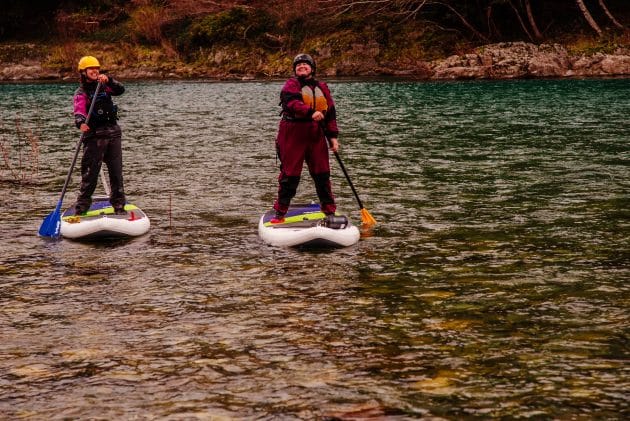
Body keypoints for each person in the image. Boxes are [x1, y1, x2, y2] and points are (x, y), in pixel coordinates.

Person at [272, 53, 340, 223]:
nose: (302, 67)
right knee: (290, 175)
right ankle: (280, 213)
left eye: (305, 65)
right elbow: (292, 103)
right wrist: (311, 112)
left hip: (316, 134)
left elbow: (330, 112)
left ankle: (329, 211)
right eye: (298, 66)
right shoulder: (291, 85)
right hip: (293, 133)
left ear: (312, 68)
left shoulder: (322, 87)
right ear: (295, 70)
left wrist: (332, 137)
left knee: (322, 174)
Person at [73, 55, 127, 215]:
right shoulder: (81, 92)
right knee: (90, 175)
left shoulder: (104, 86)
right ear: (83, 72)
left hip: (113, 133)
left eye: (97, 68)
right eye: (91, 69)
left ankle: (119, 206)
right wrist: (80, 122)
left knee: (116, 173)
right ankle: (81, 208)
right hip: (94, 137)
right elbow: (79, 111)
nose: (95, 71)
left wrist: (109, 80)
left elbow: (120, 89)